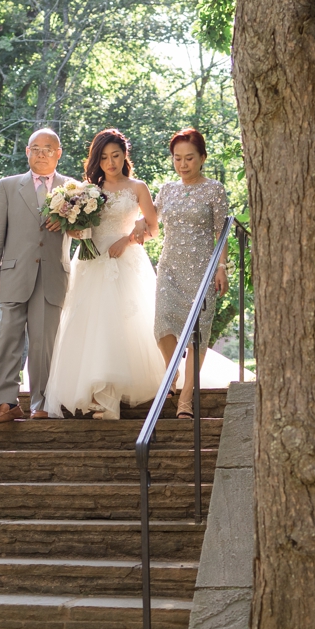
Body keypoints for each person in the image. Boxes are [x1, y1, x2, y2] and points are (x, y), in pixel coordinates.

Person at [44, 129, 167, 419]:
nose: (110, 162)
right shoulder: (87, 190)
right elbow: (76, 229)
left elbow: (152, 228)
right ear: (97, 160)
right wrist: (75, 229)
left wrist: (128, 239)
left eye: (115, 155)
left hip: (125, 260)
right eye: (103, 157)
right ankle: (96, 395)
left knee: (121, 324)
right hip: (90, 262)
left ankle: (111, 398)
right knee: (92, 325)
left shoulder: (138, 187)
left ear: (125, 155)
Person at [0, 128, 75, 423]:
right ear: (27, 151)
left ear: (58, 153)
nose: (42, 153)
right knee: (8, 338)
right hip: (12, 274)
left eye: (49, 148)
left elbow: (85, 233)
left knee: (43, 344)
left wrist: (70, 224)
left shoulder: (73, 188)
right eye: (36, 148)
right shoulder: (7, 186)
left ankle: (42, 402)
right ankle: (5, 403)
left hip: (51, 276)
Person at [135, 128, 229, 419]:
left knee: (197, 335)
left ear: (202, 158)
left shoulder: (214, 189)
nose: (183, 164)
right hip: (170, 269)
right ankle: (171, 369)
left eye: (189, 158)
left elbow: (221, 232)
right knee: (162, 326)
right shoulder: (167, 189)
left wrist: (222, 267)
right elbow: (153, 219)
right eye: (177, 159)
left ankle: (186, 398)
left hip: (203, 271)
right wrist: (138, 224)